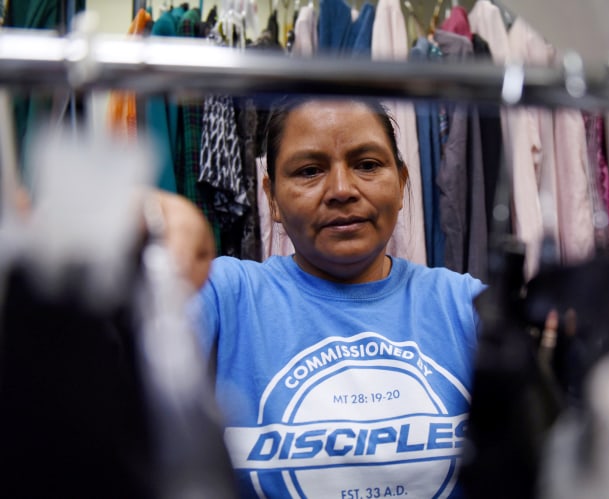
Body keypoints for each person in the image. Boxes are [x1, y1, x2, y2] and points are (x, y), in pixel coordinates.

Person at [189, 97, 486, 498]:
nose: (342, 190)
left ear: (400, 183)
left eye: (367, 165)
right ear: (271, 196)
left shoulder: (467, 307)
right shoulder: (225, 296)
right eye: (309, 171)